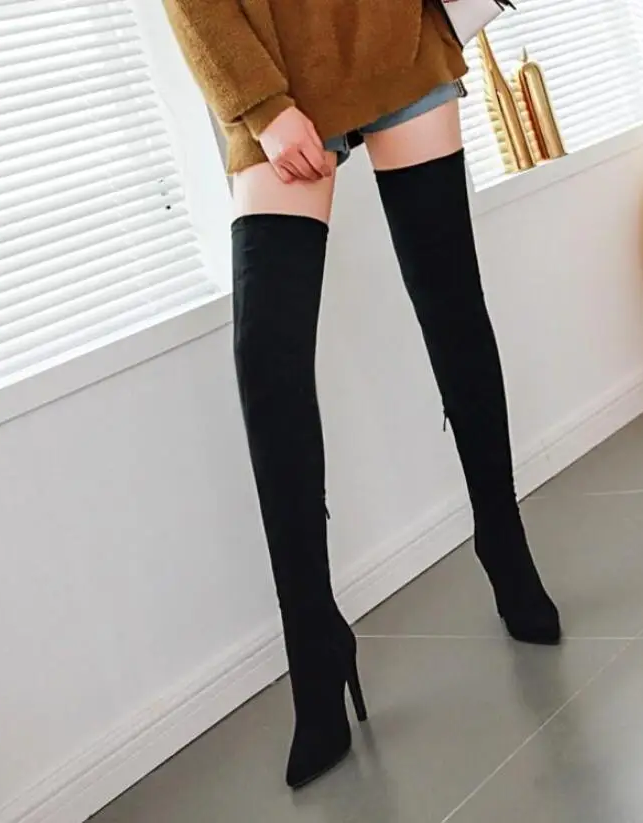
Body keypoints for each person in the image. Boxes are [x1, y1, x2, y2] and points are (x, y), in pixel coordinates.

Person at [164, 0, 561, 790]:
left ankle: (503, 541)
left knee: (453, 308)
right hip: (277, 75)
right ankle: (314, 643)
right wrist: (261, 105)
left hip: (395, 40)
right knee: (267, 362)